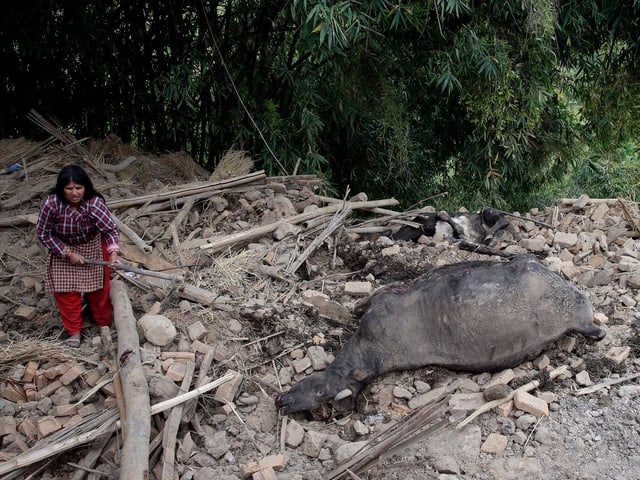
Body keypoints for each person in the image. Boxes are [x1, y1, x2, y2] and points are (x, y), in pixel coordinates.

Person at [36, 165, 120, 347]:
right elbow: (43, 234)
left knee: (99, 289)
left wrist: (113, 251)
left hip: (92, 245)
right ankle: (74, 332)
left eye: (79, 188)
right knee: (66, 292)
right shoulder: (52, 204)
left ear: (86, 187)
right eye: (69, 188)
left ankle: (103, 323)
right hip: (62, 249)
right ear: (61, 188)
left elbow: (110, 230)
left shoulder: (94, 203)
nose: (74, 193)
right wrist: (67, 253)